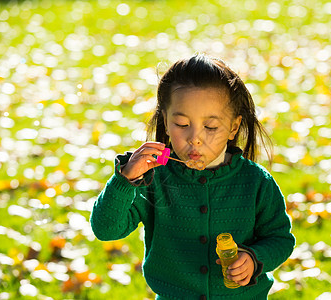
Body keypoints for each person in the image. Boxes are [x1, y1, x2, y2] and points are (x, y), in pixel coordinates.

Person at [90, 54, 295, 299]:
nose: (195, 138)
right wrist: (124, 181)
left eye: (210, 127)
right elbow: (106, 230)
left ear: (233, 127)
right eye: (181, 123)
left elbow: (280, 239)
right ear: (165, 122)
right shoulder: (154, 179)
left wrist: (253, 258)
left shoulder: (256, 182)